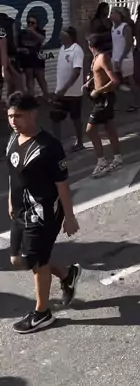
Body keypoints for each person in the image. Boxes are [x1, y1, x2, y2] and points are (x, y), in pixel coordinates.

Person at [7, 92, 81, 334]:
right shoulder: (13, 139)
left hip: (43, 213)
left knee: (37, 262)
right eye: (10, 116)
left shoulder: (49, 146)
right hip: (20, 211)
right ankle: (67, 274)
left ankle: (42, 313)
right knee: (18, 259)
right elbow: (13, 174)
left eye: (18, 116)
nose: (13, 121)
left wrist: (69, 216)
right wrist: (10, 201)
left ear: (33, 114)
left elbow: (62, 184)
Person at [85, 34, 122, 177]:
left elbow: (115, 81)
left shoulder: (102, 58)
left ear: (91, 46)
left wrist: (98, 90)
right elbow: (99, 74)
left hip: (104, 98)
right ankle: (117, 158)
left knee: (90, 130)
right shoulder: (96, 58)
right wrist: (90, 83)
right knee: (109, 127)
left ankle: (102, 162)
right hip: (99, 98)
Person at [49, 27, 85, 151]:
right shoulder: (62, 49)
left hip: (73, 93)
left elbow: (76, 72)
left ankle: (80, 142)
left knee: (76, 118)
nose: (59, 37)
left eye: (62, 35)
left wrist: (65, 88)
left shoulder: (77, 50)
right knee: (55, 117)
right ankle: (57, 143)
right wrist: (59, 89)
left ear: (69, 36)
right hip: (60, 92)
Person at [111, 7, 140, 112]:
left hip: (125, 58)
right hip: (115, 58)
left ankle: (136, 102)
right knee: (114, 81)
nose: (111, 15)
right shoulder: (113, 27)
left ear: (119, 15)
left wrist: (121, 58)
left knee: (130, 80)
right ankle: (113, 104)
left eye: (113, 13)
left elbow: (128, 45)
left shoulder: (125, 27)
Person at [17, 15, 48, 98]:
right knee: (29, 79)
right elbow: (17, 47)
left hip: (38, 59)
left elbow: (42, 39)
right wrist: (22, 50)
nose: (30, 24)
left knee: (41, 79)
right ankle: (32, 98)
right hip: (27, 59)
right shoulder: (22, 33)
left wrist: (32, 32)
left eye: (32, 23)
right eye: (29, 22)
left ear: (36, 24)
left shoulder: (40, 32)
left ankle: (47, 97)